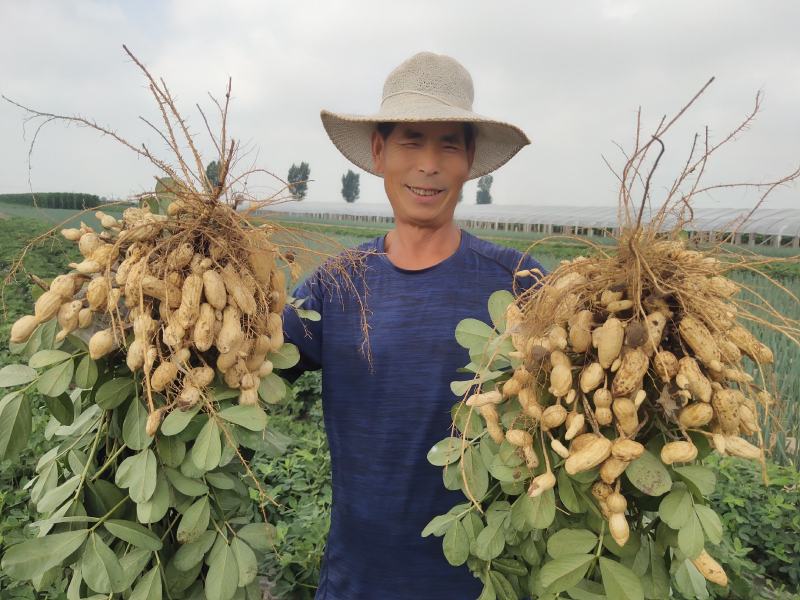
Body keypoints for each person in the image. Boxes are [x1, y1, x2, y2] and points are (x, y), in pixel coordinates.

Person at [281, 51, 545, 600]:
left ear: (469, 160)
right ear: (379, 153)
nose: (429, 163)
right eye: (411, 140)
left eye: (449, 143)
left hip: (481, 580)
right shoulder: (336, 284)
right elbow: (252, 364)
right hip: (357, 580)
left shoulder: (521, 283)